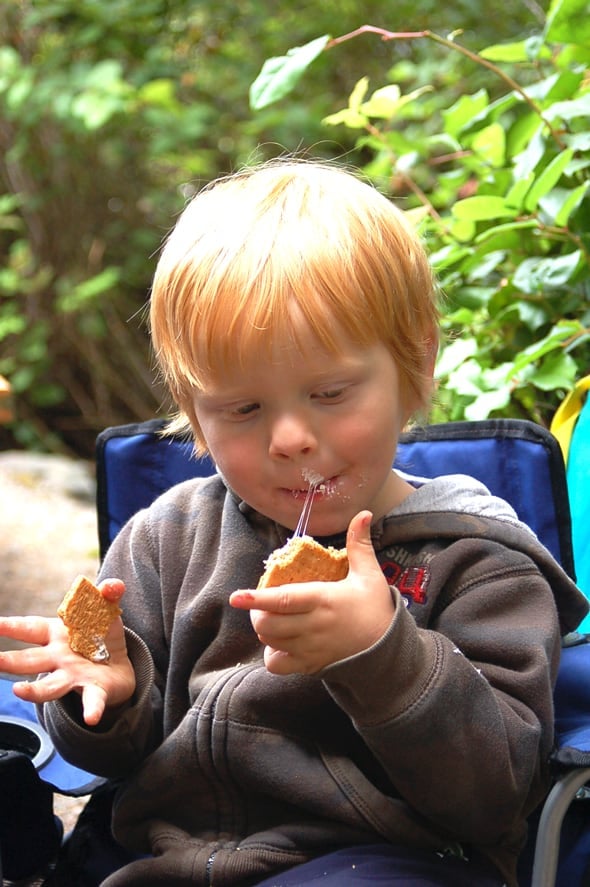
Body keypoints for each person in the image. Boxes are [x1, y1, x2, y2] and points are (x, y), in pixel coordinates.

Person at [0, 159, 587, 887]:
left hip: (384, 863)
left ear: (415, 360)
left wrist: (382, 653)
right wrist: (102, 700)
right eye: (243, 408)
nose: (289, 438)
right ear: (194, 406)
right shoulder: (165, 539)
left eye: (330, 391)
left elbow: (495, 796)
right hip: (163, 857)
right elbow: (114, 761)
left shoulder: (478, 562)